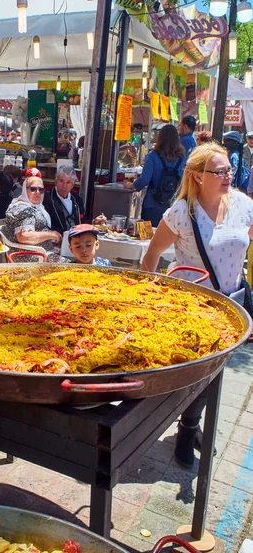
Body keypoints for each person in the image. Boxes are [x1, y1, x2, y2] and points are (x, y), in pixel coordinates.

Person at [141, 142, 253, 466]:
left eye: (229, 169)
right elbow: (151, 257)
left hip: (232, 307)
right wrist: (152, 299)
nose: (227, 175)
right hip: (191, 310)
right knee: (199, 374)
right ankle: (188, 428)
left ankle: (192, 424)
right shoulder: (180, 213)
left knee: (217, 374)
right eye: (218, 171)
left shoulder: (244, 205)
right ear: (197, 176)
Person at [124, 124, 187, 227]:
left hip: (152, 204)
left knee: (150, 237)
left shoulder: (153, 155)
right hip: (174, 205)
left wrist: (133, 185)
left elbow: (145, 179)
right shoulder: (182, 159)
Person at [5, 173, 63, 261]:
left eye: (41, 190)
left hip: (43, 252)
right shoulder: (23, 209)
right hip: (29, 256)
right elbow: (24, 236)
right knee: (73, 266)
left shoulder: (38, 207)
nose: (37, 192)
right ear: (25, 190)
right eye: (33, 189)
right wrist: (50, 235)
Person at [43, 166, 85, 235]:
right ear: (56, 182)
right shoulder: (47, 199)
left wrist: (94, 222)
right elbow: (46, 224)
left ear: (72, 185)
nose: (64, 186)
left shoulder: (77, 199)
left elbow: (83, 220)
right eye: (61, 181)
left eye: (68, 182)